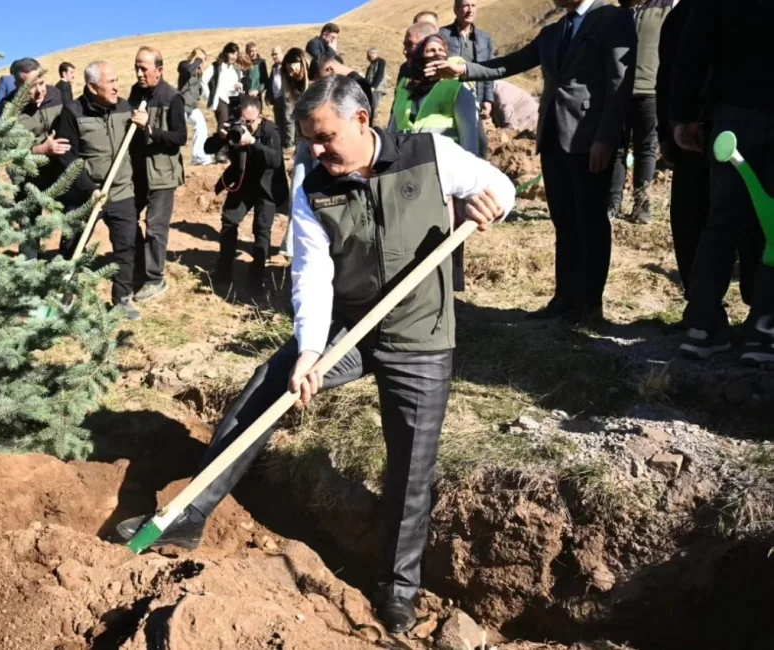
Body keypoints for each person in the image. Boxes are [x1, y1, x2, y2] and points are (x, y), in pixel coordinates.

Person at [114, 74, 515, 635]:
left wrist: (491, 204)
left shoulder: (430, 155)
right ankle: (189, 512)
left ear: (361, 120)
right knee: (269, 383)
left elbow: (499, 184)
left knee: (411, 466)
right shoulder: (314, 189)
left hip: (421, 338)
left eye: (325, 138)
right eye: (309, 141)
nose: (317, 151)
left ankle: (399, 590)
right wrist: (308, 352)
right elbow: (312, 274)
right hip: (349, 328)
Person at [426, 0, 637, 325]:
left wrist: (606, 138)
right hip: (552, 138)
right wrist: (465, 69)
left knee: (591, 222)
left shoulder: (611, 18)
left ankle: (590, 305)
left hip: (590, 139)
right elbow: (510, 64)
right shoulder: (552, 32)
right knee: (564, 222)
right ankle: (564, 298)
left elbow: (618, 84)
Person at [672, 0, 774, 363]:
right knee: (772, 228)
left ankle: (702, 327)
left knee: (722, 223)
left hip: (734, 115)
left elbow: (693, 46)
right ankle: (764, 335)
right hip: (738, 111)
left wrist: (683, 114)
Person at [50, 61, 141, 320]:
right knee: (73, 245)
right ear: (92, 86)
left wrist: (144, 126)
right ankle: (63, 300)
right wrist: (88, 188)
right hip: (86, 194)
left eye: (116, 81)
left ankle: (122, 299)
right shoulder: (73, 111)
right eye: (110, 82)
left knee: (125, 247)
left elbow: (139, 144)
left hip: (122, 190)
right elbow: (67, 156)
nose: (116, 86)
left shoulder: (125, 108)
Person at [395, 35, 481, 293]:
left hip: (444, 177)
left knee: (444, 236)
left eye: (439, 50)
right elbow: (393, 128)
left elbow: (470, 138)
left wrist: (469, 182)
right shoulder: (405, 87)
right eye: (428, 50)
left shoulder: (458, 88)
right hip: (407, 172)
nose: (433, 54)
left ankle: (446, 296)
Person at [203, 95, 288, 293]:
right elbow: (208, 149)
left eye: (251, 122)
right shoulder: (235, 127)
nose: (247, 126)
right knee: (229, 220)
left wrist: (252, 142)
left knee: (262, 230)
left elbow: (275, 160)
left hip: (267, 187)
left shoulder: (270, 131)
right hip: (244, 183)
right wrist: (220, 137)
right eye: (244, 121)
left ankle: (256, 278)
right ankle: (223, 271)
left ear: (261, 117)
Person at [654, 0, 708, 307]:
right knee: (688, 221)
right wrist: (668, 130)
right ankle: (700, 307)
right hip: (687, 138)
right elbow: (667, 80)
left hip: (734, 133)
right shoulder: (679, 17)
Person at [607, 0, 673, 224]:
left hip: (651, 91)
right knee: (617, 148)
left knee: (647, 148)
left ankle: (641, 204)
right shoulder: (619, 13)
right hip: (618, 93)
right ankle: (612, 204)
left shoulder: (664, 8)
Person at [129, 47, 187, 302]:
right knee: (127, 218)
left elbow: (179, 137)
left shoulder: (172, 97)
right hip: (137, 172)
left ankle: (155, 279)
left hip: (162, 174)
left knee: (156, 227)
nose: (140, 73)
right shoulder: (135, 92)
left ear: (159, 70)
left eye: (144, 68)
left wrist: (150, 130)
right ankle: (140, 266)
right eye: (137, 68)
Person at [14, 64, 71, 258]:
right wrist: (41, 150)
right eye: (31, 86)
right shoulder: (9, 108)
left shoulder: (57, 94)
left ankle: (67, 265)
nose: (39, 91)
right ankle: (28, 272)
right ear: (18, 86)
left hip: (60, 170)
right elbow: (10, 152)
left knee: (71, 216)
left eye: (41, 82)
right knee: (29, 227)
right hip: (29, 176)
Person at [440, 0, 496, 158]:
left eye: (473, 6)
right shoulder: (443, 35)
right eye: (465, 6)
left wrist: (488, 99)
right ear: (456, 9)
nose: (470, 10)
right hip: (448, 97)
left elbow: (489, 71)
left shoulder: (485, 39)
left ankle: (478, 179)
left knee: (480, 143)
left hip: (474, 97)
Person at [275, 48, 311, 259]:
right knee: (297, 192)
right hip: (304, 145)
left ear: (303, 63)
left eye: (294, 66)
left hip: (322, 146)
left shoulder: (316, 83)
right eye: (288, 69)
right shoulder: (296, 89)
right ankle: (290, 246)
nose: (292, 72)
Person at [202, 43, 245, 163]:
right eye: (232, 53)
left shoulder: (237, 69)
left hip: (234, 100)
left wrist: (239, 86)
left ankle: (229, 152)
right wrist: (208, 95)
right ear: (226, 52)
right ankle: (219, 152)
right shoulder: (215, 66)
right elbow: (203, 80)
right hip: (220, 99)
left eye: (236, 54)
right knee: (223, 126)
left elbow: (240, 84)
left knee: (233, 125)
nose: (234, 56)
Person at [392, 21, 440, 117]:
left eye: (410, 44)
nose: (404, 51)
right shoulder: (404, 84)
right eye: (405, 45)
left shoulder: (453, 82)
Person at [178, 48, 213, 166]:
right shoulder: (183, 65)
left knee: (202, 126)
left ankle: (199, 157)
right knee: (180, 133)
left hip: (192, 107)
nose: (201, 61)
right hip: (181, 105)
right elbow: (187, 71)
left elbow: (203, 92)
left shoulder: (199, 74)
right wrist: (197, 60)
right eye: (200, 58)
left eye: (203, 59)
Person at [365, 49, 388, 116]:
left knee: (373, 107)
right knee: (369, 106)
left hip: (377, 89)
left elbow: (380, 75)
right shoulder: (371, 64)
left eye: (372, 53)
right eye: (368, 54)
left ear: (377, 54)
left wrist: (373, 87)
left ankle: (373, 124)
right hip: (371, 89)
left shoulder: (381, 61)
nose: (370, 55)